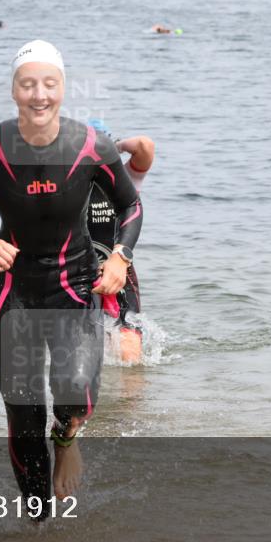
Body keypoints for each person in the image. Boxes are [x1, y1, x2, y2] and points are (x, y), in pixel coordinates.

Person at [0, 40, 142, 516]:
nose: (39, 95)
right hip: (13, 289)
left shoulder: (90, 145)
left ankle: (67, 438)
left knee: (75, 396)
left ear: (63, 89)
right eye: (28, 85)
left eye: (49, 84)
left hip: (75, 282)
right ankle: (39, 522)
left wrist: (120, 256)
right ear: (14, 90)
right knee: (23, 413)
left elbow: (131, 204)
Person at [86, 120, 155, 365]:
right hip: (79, 271)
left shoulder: (124, 179)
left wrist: (118, 146)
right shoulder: (68, 182)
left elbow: (145, 145)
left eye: (102, 152)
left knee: (128, 351)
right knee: (85, 348)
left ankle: (129, 402)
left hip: (118, 269)